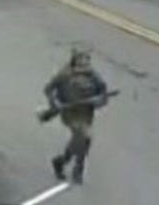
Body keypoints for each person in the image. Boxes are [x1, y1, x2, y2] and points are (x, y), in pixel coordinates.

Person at [44, 47, 110, 184]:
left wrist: (98, 101)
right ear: (75, 60)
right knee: (84, 136)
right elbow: (49, 89)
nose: (85, 63)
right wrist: (55, 103)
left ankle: (62, 161)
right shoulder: (65, 74)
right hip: (70, 113)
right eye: (82, 60)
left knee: (83, 141)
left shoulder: (92, 75)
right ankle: (78, 169)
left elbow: (103, 92)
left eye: (87, 60)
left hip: (86, 113)